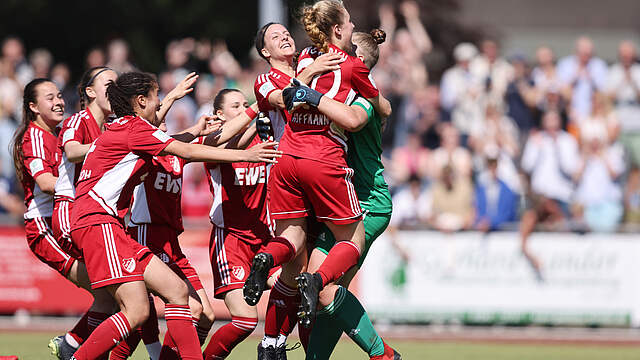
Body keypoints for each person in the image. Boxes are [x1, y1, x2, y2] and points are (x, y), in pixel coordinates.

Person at [66, 71, 281, 360]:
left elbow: (177, 145)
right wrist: (246, 155)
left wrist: (194, 127)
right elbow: (187, 152)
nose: (160, 105)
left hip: (106, 224)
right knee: (139, 310)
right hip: (99, 221)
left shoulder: (128, 127)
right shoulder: (134, 128)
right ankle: (76, 354)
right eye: (157, 98)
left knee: (173, 295)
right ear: (141, 101)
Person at [249, 20, 349, 358]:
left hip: (314, 168)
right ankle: (279, 344)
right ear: (265, 52)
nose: (285, 37)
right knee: (300, 270)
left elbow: (338, 50)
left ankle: (273, 343)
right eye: (275, 37)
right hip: (289, 169)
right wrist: (310, 73)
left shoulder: (310, 58)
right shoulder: (265, 80)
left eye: (286, 32)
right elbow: (284, 99)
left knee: (300, 273)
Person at [305, 29, 400, 360]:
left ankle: (382, 354)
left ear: (356, 61)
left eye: (341, 50)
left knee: (323, 288)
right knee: (323, 291)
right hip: (342, 204)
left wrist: (308, 95)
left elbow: (356, 120)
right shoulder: (351, 91)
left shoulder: (362, 96)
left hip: (368, 204)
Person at [200, 89, 279, 359]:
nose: (244, 109)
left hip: (265, 238)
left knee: (293, 288)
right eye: (237, 106)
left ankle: (273, 345)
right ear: (220, 115)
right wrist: (258, 108)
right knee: (245, 320)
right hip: (230, 240)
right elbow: (231, 150)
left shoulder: (264, 138)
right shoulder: (212, 142)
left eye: (246, 104)